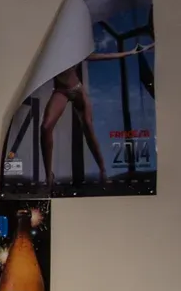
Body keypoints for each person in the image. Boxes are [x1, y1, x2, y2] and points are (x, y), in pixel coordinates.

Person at [40, 43, 153, 186]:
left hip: (77, 90)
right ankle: (49, 176)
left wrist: (130, 52)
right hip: (60, 91)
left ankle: (102, 170)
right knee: (45, 127)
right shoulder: (50, 53)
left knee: (88, 128)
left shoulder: (75, 54)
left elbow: (104, 56)